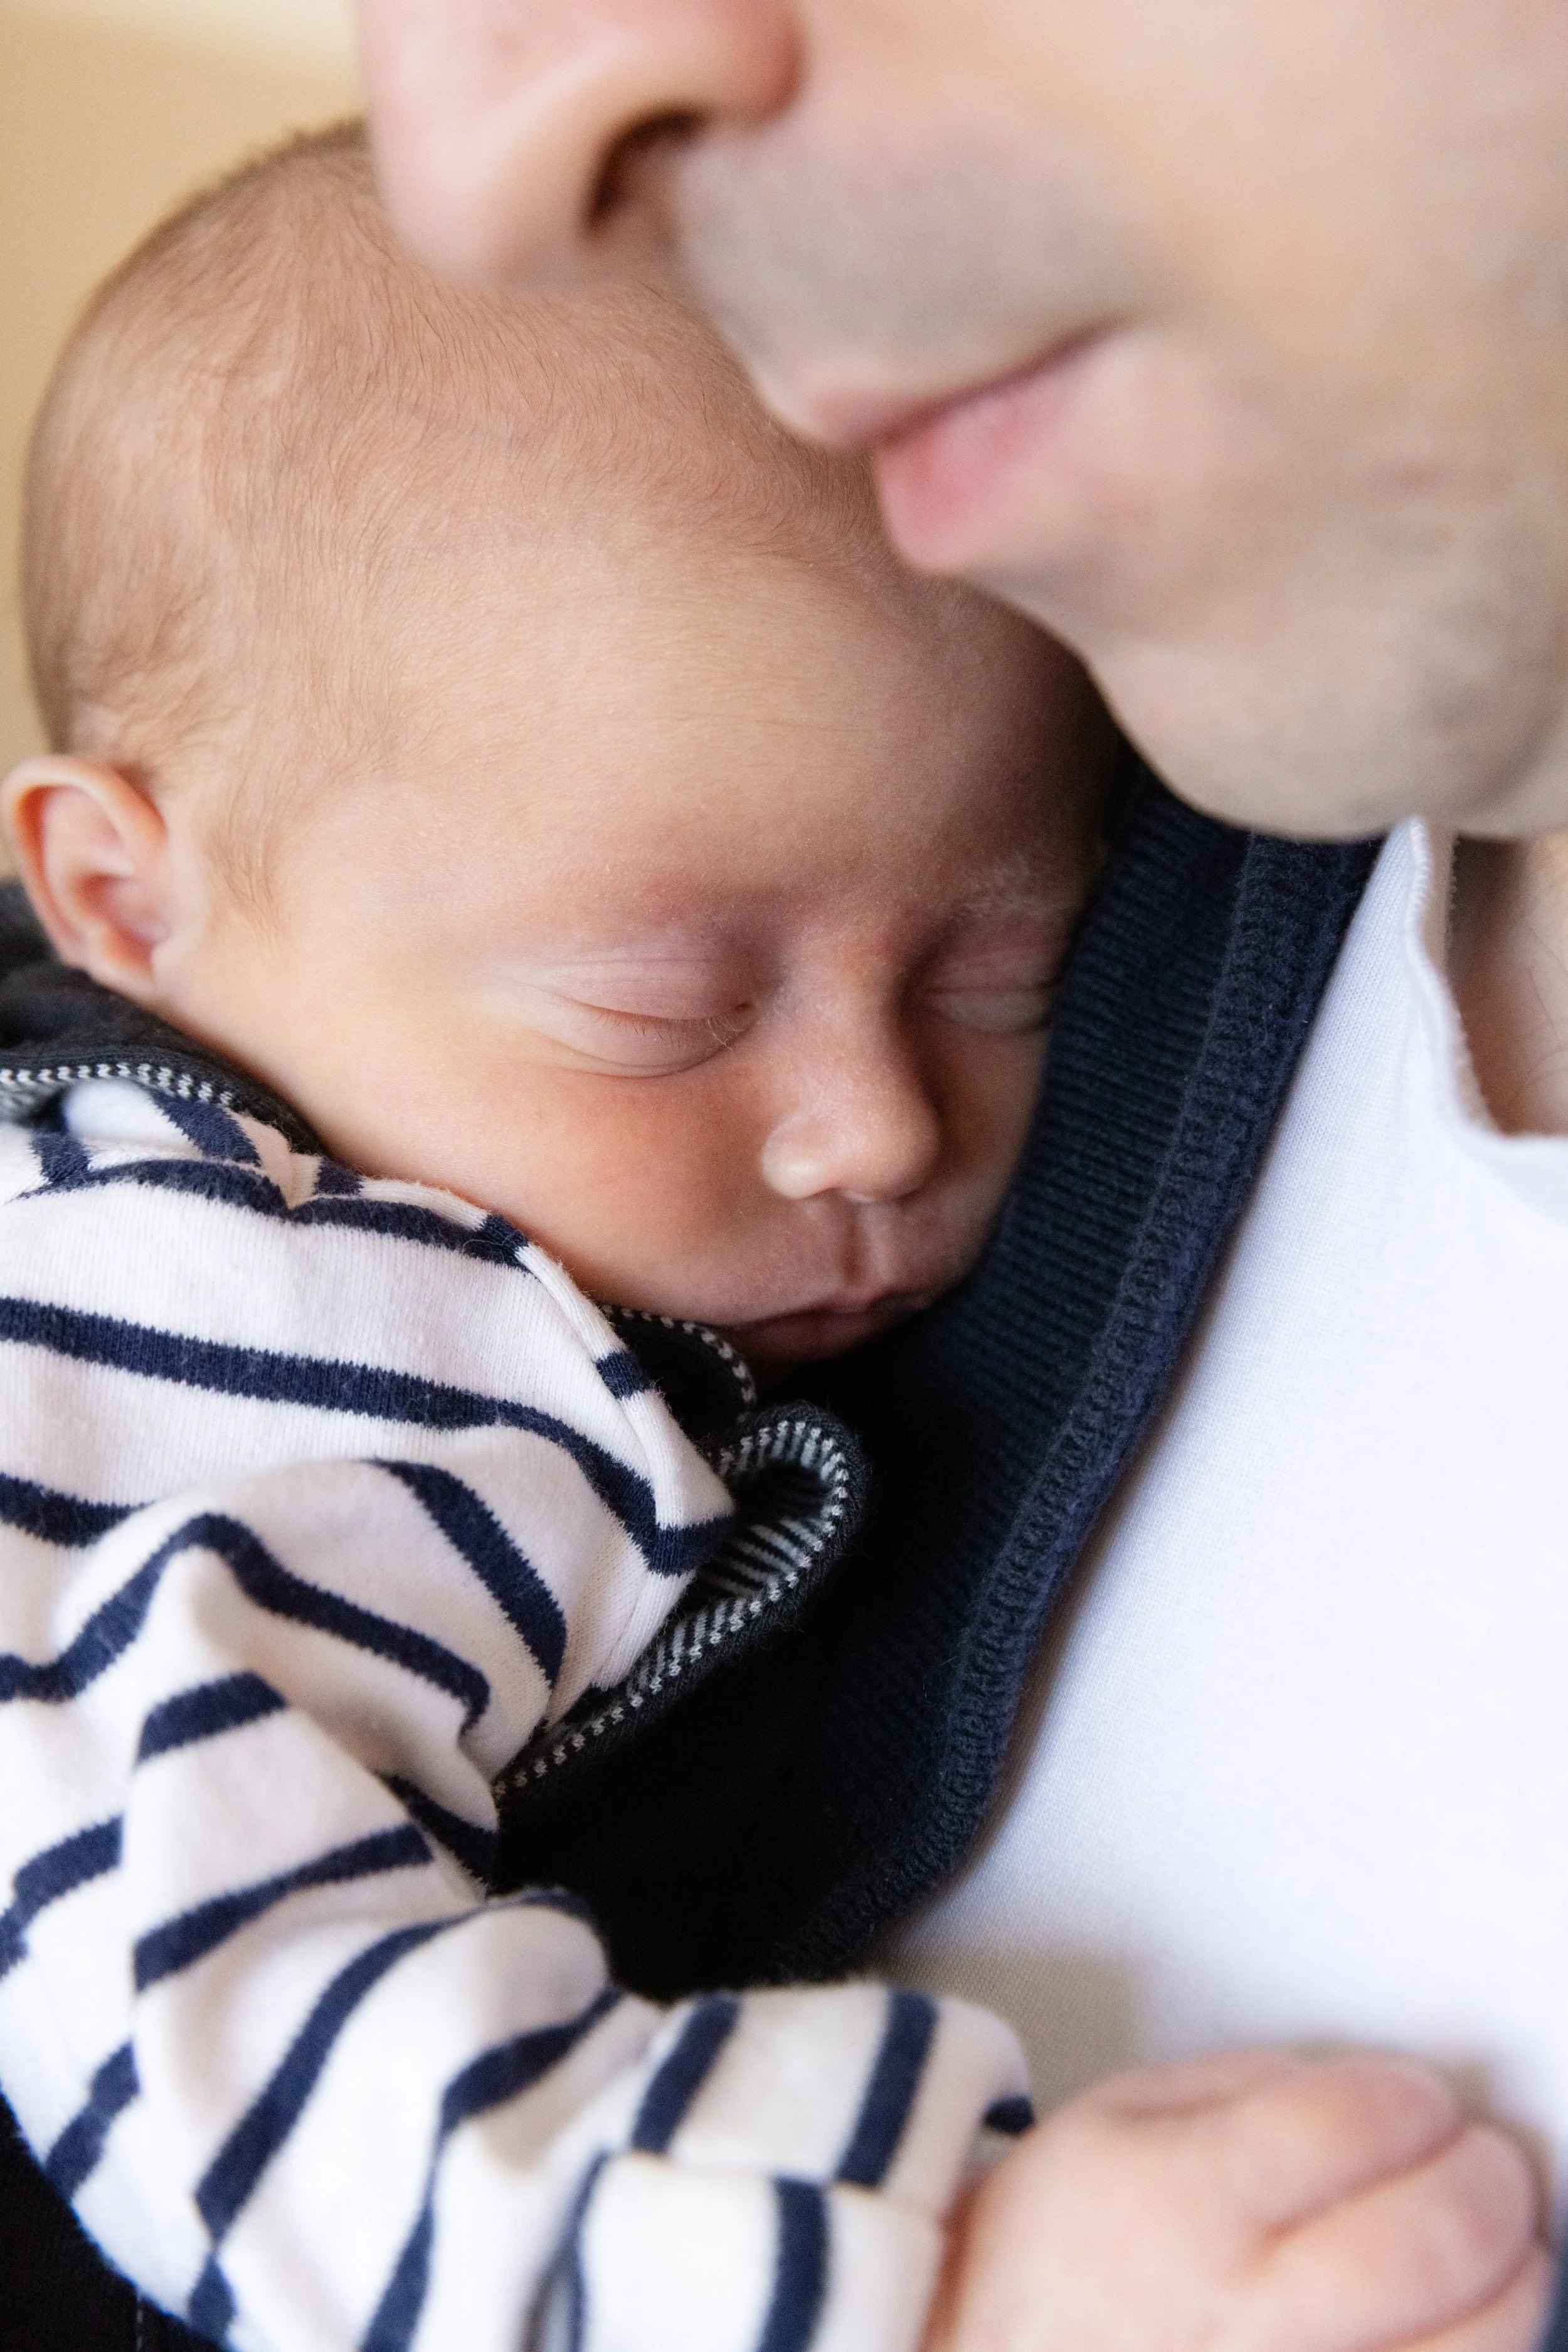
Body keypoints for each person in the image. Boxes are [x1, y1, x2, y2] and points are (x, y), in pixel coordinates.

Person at [7, 118, 1532, 2352]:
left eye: (997, 970)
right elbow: (193, 1962)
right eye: (671, 1007)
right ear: (127, 900)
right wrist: (903, 2284)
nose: (872, 1120)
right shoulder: (259, 1319)